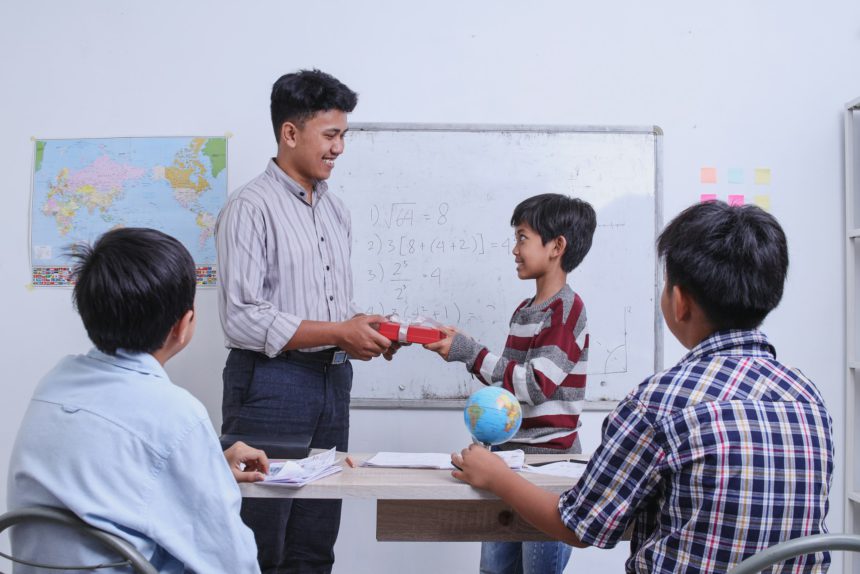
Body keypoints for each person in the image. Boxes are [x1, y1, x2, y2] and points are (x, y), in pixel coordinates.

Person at [450, 200, 834, 573]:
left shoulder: (660, 403)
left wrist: (498, 476)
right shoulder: (807, 399)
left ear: (679, 302)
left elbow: (580, 524)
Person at [7, 227, 267, 573]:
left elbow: (108, 479)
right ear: (184, 325)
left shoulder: (54, 385)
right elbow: (234, 563)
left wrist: (210, 469)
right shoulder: (177, 414)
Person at [215, 69, 393, 573]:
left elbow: (330, 310)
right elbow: (243, 317)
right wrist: (339, 331)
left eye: (344, 136)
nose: (339, 148)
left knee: (315, 541)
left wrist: (361, 327)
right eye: (330, 135)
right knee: (259, 541)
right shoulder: (250, 208)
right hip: (272, 384)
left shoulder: (337, 213)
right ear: (290, 133)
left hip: (333, 382)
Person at [425, 193, 596, 574]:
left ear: (556, 246)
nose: (514, 249)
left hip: (549, 469)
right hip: (508, 465)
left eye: (522, 238)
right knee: (495, 569)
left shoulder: (567, 310)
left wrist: (468, 351)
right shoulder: (524, 311)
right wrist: (463, 347)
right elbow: (508, 387)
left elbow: (534, 386)